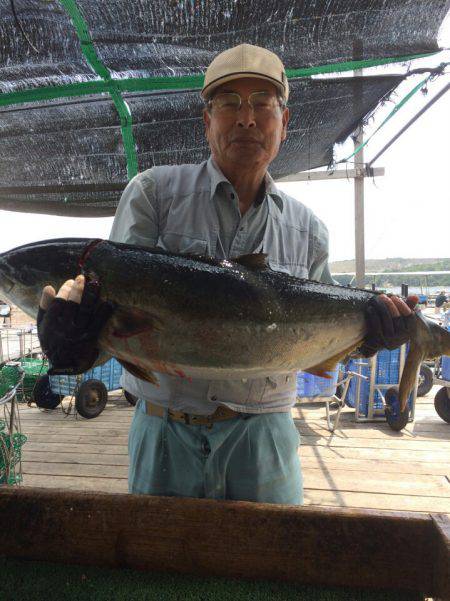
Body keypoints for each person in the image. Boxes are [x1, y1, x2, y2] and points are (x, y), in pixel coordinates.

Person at [38, 44, 416, 505]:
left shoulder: (308, 229)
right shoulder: (155, 196)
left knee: (267, 571)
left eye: (262, 103)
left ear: (284, 121)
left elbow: (323, 335)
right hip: (164, 431)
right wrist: (75, 343)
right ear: (207, 121)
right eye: (228, 103)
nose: (246, 118)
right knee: (159, 568)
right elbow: (113, 319)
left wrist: (372, 332)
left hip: (266, 439)